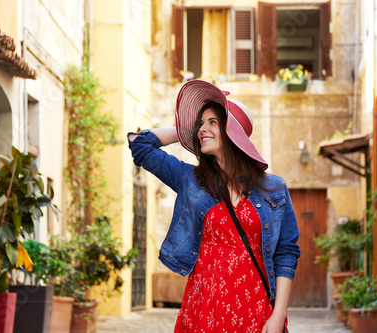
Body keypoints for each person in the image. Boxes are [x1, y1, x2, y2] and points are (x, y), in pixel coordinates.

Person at [128, 80, 300, 333]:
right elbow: (139, 144)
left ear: (234, 133)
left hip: (254, 306)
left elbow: (286, 253)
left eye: (212, 122)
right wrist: (186, 129)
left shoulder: (273, 188)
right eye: (200, 123)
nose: (202, 129)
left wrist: (278, 314)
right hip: (205, 305)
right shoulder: (190, 180)